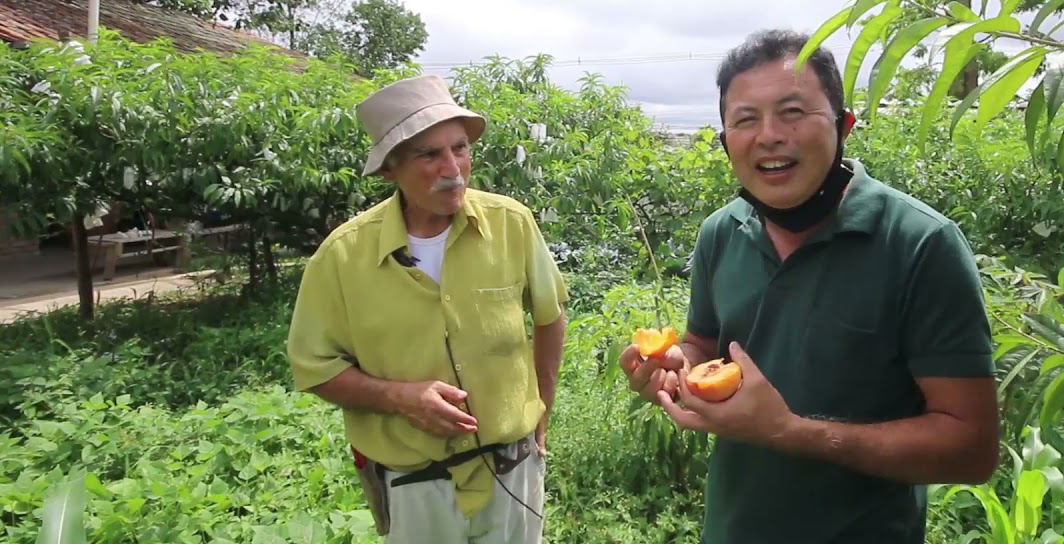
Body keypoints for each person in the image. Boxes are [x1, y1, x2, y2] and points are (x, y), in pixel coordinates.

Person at [619, 29, 999, 543]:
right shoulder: (721, 233)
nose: (769, 135)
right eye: (745, 120)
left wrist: (789, 432)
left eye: (793, 112)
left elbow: (971, 449)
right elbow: (702, 346)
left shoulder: (920, 245)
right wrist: (672, 369)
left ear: (844, 126)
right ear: (725, 138)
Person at [287, 74, 568, 544]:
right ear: (388, 171)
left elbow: (549, 313)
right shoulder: (343, 256)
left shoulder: (510, 224)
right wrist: (400, 397)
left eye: (459, 148)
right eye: (429, 154)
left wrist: (543, 407)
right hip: (415, 487)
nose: (453, 169)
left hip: (512, 470)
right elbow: (315, 368)